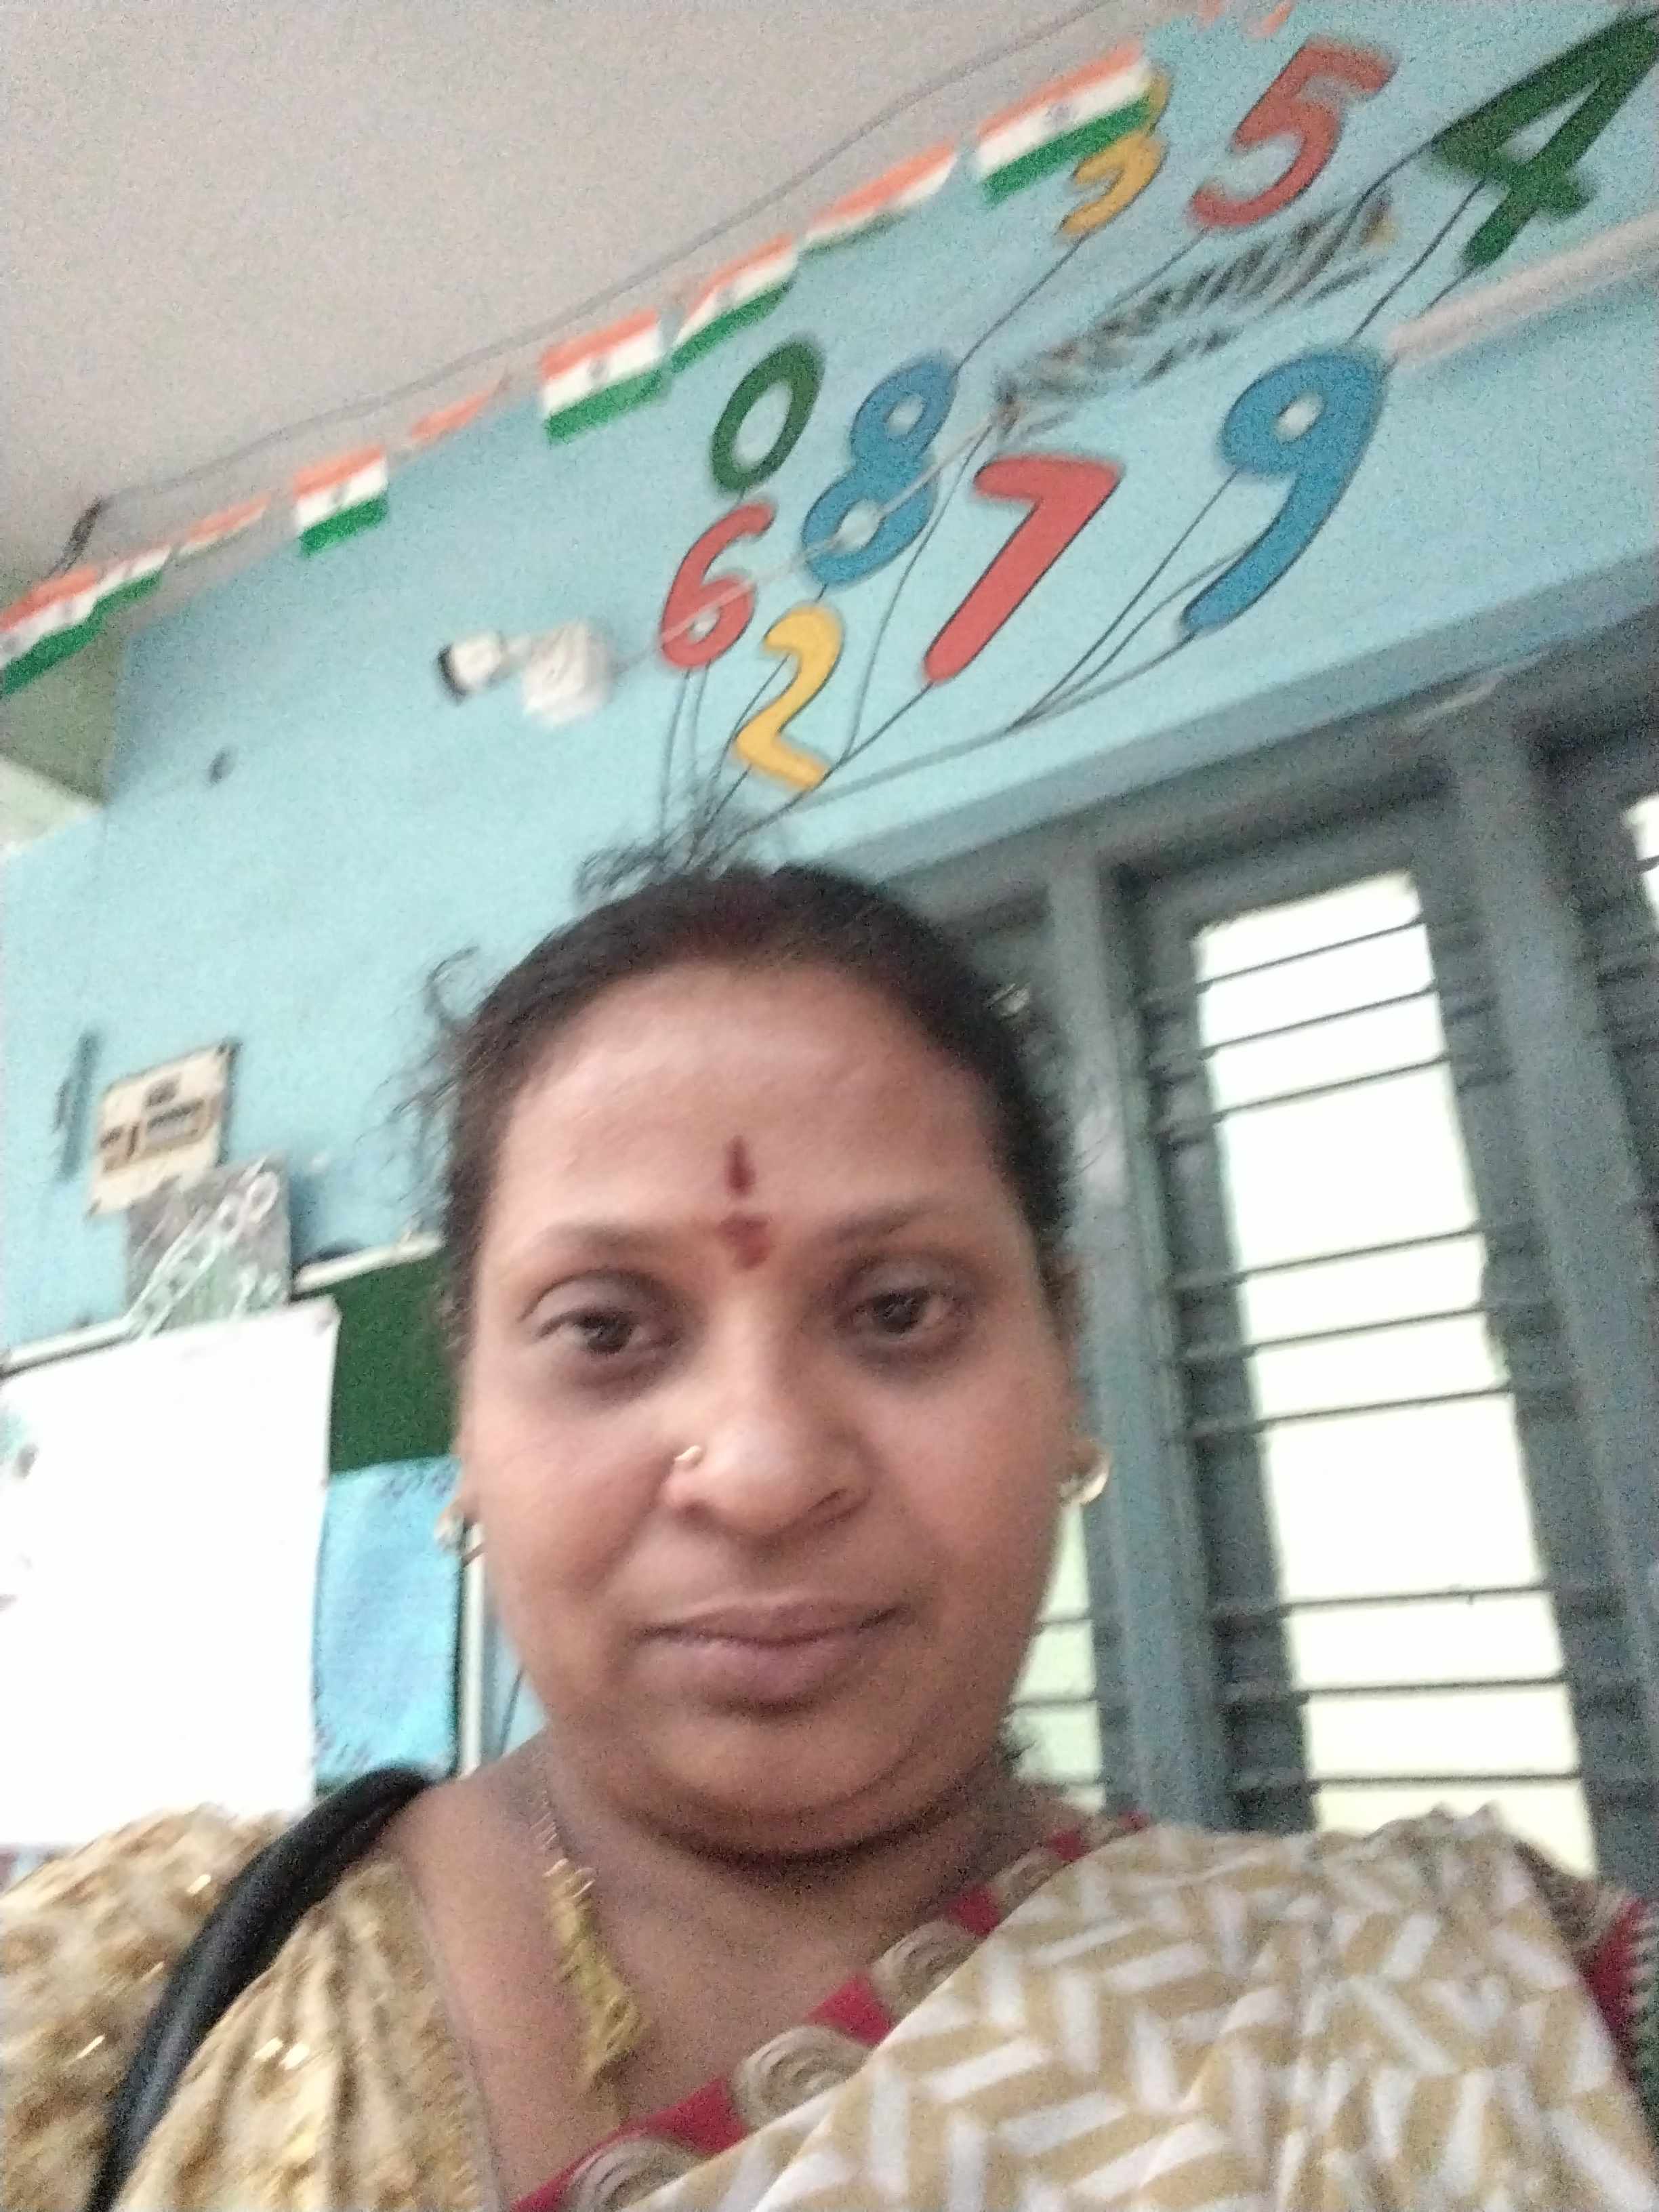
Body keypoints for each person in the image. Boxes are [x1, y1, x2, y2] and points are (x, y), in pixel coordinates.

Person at [5, 857, 1658, 2212]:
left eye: (899, 1309)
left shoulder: (1475, 2012)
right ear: (468, 1417)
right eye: (605, 1329)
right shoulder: (121, 1987)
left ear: (1062, 1366)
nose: (762, 1471)